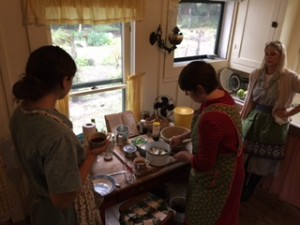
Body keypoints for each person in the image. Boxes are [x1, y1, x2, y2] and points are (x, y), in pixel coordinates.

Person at [10, 45, 109, 225]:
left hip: (42, 209)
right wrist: (91, 157)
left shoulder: (21, 113)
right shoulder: (58, 136)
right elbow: (63, 200)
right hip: (65, 217)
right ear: (64, 81)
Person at [170, 61, 245, 225]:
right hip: (233, 168)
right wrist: (183, 137)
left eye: (189, 92)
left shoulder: (211, 119)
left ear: (200, 89)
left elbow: (204, 163)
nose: (188, 96)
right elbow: (211, 133)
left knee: (206, 218)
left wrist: (186, 156)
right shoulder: (222, 96)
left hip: (220, 178)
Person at [240, 40, 300, 201]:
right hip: (254, 119)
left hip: (274, 124)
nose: (268, 57)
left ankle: (249, 190)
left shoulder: (289, 77)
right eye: (267, 53)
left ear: (281, 56)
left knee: (262, 161)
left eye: (273, 54)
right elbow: (250, 101)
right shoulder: (256, 74)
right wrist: (243, 117)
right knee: (244, 156)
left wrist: (289, 112)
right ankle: (239, 187)